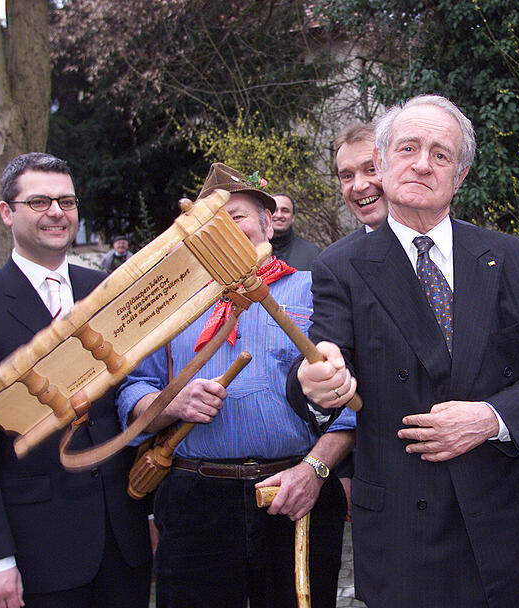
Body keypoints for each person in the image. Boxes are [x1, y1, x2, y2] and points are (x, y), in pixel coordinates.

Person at [289, 95, 519, 607]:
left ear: (460, 175)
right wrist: (315, 384)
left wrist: (491, 417)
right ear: (381, 163)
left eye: (441, 154)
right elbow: (326, 357)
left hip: (513, 522)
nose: (422, 163)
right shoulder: (340, 266)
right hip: (408, 532)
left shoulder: (513, 257)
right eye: (408, 148)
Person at [117, 163, 355, 608]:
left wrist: (314, 472)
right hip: (195, 503)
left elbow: (352, 402)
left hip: (295, 492)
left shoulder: (314, 290)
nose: (226, 228)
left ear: (269, 222)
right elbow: (133, 394)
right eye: (213, 220)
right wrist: (173, 403)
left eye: (239, 215)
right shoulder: (168, 305)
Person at [0, 153, 152, 608]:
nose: (57, 212)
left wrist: (149, 508)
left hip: (124, 540)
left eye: (67, 201)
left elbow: (125, 402)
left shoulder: (108, 289)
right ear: (5, 212)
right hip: (40, 552)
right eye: (39, 201)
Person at [332, 121, 388, 234]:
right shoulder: (341, 252)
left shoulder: (427, 246)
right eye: (348, 176)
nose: (359, 186)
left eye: (372, 170)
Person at [270, 193, 320, 270]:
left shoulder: (311, 253)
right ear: (266, 216)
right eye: (274, 210)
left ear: (293, 217)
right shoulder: (252, 253)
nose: (279, 215)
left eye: (285, 210)